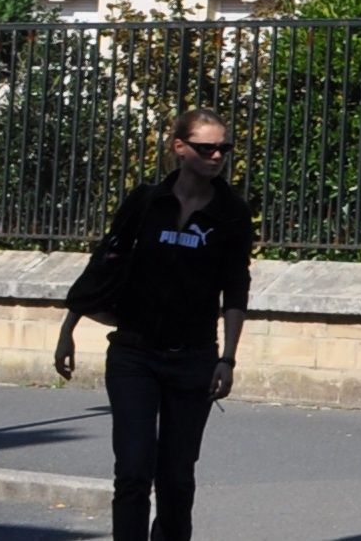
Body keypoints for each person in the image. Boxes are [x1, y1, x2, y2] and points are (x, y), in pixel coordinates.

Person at [56, 110, 252, 541]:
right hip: (134, 354)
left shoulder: (232, 212)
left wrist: (228, 358)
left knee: (177, 479)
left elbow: (236, 289)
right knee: (132, 470)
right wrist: (68, 328)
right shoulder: (145, 202)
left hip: (194, 358)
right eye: (206, 148)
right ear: (179, 148)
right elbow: (105, 264)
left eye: (225, 148)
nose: (217, 155)